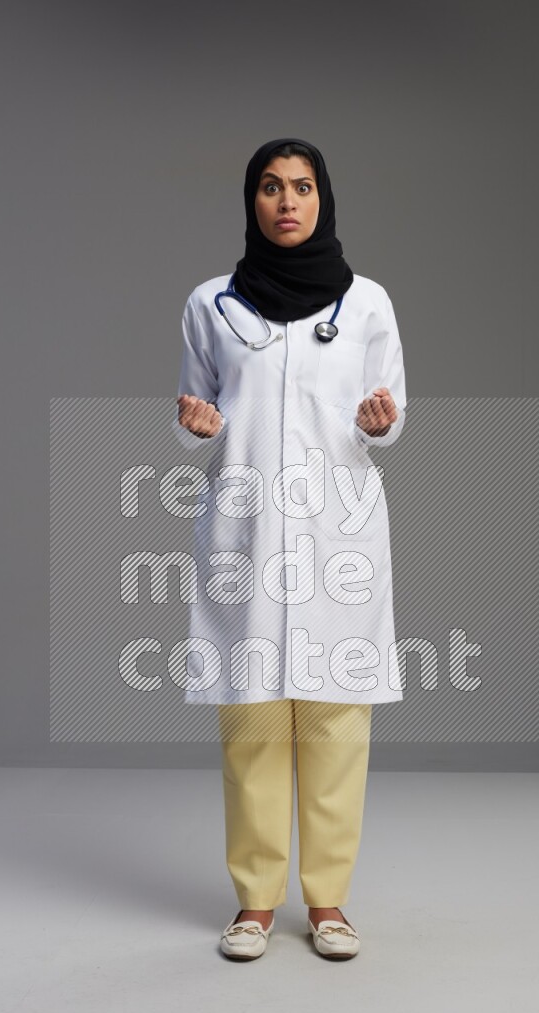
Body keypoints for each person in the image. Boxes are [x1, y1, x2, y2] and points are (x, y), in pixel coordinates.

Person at [170, 137, 407, 961]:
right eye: (270, 187)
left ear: (323, 198)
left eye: (302, 187)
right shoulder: (212, 303)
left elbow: (389, 410)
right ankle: (255, 905)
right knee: (254, 725)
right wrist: (193, 422)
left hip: (336, 532)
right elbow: (194, 407)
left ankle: (330, 903)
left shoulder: (368, 304)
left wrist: (381, 424)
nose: (287, 202)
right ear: (252, 202)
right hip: (245, 529)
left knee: (337, 724)